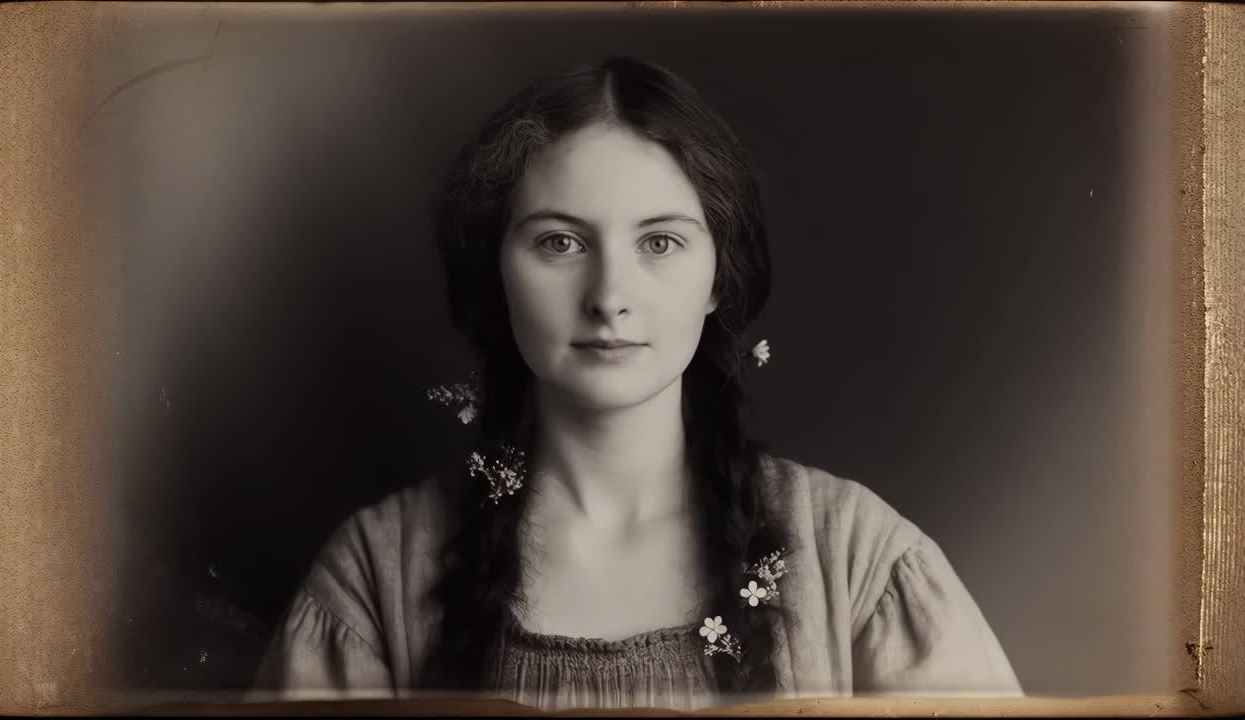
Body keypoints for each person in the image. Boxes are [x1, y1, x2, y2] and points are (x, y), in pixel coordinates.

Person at [249, 57, 1022, 711]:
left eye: (660, 242)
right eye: (559, 241)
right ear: (497, 269)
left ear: (719, 274)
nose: (609, 294)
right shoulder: (375, 574)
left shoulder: (856, 559)